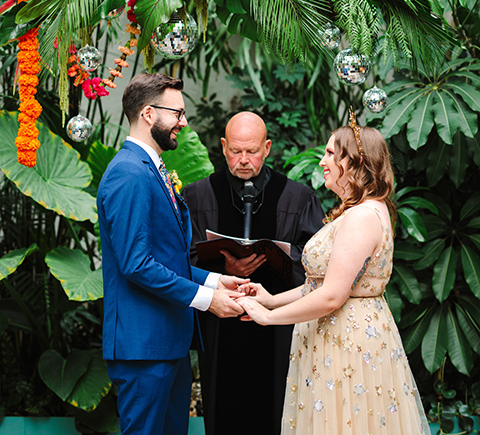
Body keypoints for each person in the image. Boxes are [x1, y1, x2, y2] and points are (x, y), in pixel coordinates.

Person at [237, 112, 429, 435]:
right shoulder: (362, 210)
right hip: (335, 337)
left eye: (330, 154)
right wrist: (270, 300)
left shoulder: (363, 217)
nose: (322, 161)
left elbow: (332, 296)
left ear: (354, 162)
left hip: (347, 342)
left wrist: (268, 318)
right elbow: (320, 285)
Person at [96, 72, 247, 435]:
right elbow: (137, 264)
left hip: (167, 344)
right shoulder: (129, 175)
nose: (183, 121)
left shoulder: (151, 169)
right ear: (149, 114)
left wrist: (215, 279)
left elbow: (166, 257)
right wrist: (206, 299)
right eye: (177, 113)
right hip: (144, 347)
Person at [183, 111, 325, 435]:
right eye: (236, 151)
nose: (243, 160)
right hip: (220, 326)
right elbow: (181, 257)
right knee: (224, 409)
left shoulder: (297, 198)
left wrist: (277, 259)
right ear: (222, 146)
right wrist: (223, 266)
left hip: (277, 327)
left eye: (252, 151)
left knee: (274, 409)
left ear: (268, 148)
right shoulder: (198, 196)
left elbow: (316, 260)